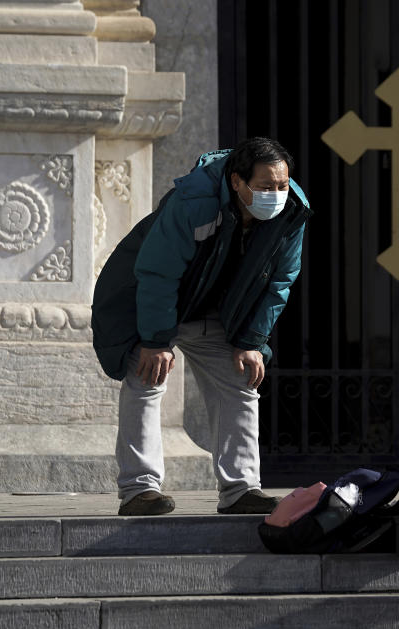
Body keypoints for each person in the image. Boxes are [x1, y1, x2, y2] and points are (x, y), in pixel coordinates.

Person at [92, 137, 310, 516]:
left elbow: (280, 282)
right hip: (158, 302)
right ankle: (139, 490)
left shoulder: (291, 211)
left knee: (242, 381)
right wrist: (156, 341)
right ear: (237, 182)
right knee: (147, 378)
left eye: (281, 185)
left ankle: (241, 489)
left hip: (217, 311)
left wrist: (252, 341)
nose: (276, 194)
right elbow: (158, 273)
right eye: (265, 187)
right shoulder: (194, 202)